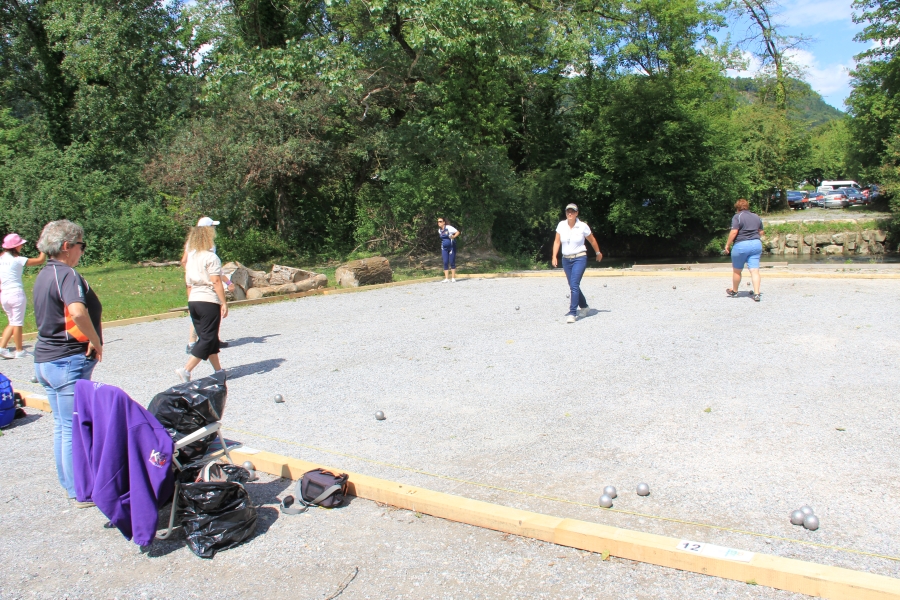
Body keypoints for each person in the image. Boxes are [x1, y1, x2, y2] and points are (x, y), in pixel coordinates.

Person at [32, 220, 102, 506]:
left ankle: (71, 485)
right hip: (67, 359)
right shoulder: (67, 274)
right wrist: (95, 340)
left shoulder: (43, 274)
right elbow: (76, 312)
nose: (81, 252)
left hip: (47, 360)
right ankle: (81, 489)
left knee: (63, 426)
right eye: (80, 246)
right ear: (66, 247)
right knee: (74, 427)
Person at [176, 225, 228, 382]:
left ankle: (218, 371)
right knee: (208, 338)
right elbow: (216, 281)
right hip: (208, 300)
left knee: (207, 336)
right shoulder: (211, 258)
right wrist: (223, 302)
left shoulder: (191, 260)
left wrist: (191, 302)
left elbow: (188, 284)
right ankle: (186, 369)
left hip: (194, 300)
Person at [180, 216, 231, 354]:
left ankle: (207, 340)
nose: (214, 229)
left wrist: (191, 271)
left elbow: (184, 260)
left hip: (192, 279)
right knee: (209, 310)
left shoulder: (190, 243)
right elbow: (213, 268)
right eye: (212, 227)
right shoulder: (209, 246)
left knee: (197, 310)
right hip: (206, 281)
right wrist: (227, 282)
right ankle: (195, 344)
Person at [551, 203, 602, 323]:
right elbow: (557, 242)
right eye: (568, 211)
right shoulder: (561, 225)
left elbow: (592, 239)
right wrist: (554, 256)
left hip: (579, 258)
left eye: (572, 211)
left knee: (574, 284)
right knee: (573, 285)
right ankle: (584, 307)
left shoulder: (582, 226)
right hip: (566, 259)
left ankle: (572, 312)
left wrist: (598, 252)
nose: (570, 213)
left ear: (576, 213)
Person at [0, 233, 46, 358]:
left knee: (12, 321)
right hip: (16, 293)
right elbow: (40, 260)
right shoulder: (18, 260)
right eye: (20, 245)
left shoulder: (1, 259)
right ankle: (19, 350)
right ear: (14, 246)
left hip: (4, 294)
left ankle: (2, 348)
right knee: (18, 323)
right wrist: (44, 247)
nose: (21, 246)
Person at [724, 199, 764, 302]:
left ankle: (735, 291)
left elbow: (734, 232)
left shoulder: (737, 217)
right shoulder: (756, 217)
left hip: (741, 245)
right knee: (754, 270)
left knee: (737, 271)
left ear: (737, 208)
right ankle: (756, 294)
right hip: (756, 244)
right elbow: (761, 232)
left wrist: (727, 245)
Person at [437, 218, 460, 282]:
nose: (439, 223)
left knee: (452, 261)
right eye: (438, 222)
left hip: (452, 247)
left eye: (440, 221)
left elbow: (457, 232)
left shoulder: (449, 227)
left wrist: (453, 237)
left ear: (444, 222)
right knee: (445, 262)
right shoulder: (439, 230)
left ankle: (453, 278)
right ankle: (446, 278)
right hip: (444, 248)